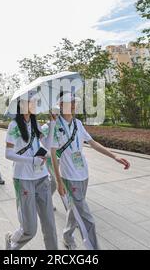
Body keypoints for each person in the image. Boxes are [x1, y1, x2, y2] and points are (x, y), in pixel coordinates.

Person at [50, 92, 131, 250]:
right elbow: (52, 154)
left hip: (83, 173)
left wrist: (114, 156)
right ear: (60, 105)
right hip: (69, 177)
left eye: (75, 102)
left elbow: (92, 143)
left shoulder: (78, 124)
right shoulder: (53, 125)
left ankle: (67, 236)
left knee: (75, 209)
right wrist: (59, 181)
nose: (73, 105)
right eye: (69, 102)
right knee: (87, 219)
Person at [4, 94, 58, 250]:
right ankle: (11, 241)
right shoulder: (14, 126)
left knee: (50, 224)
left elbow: (46, 145)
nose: (34, 103)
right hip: (23, 179)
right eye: (31, 101)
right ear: (22, 105)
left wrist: (53, 124)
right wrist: (31, 160)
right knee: (29, 229)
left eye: (35, 101)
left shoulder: (35, 124)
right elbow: (8, 154)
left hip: (42, 177)